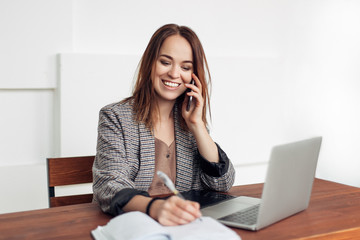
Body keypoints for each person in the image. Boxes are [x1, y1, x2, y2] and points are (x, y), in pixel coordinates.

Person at [93, 24, 235, 226]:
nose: (174, 74)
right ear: (151, 63)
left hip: (185, 227)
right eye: (165, 62)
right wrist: (155, 208)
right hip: (135, 227)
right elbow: (109, 187)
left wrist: (197, 125)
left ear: (194, 76)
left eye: (185, 67)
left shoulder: (190, 122)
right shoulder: (115, 117)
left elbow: (222, 183)